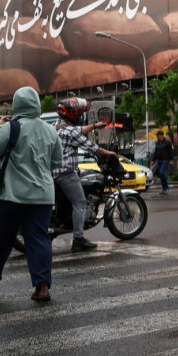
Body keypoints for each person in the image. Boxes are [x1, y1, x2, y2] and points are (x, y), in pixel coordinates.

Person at [0, 86, 64, 302]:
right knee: (39, 239)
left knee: (2, 238)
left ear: (16, 105)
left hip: (11, 195)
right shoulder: (50, 130)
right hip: (42, 196)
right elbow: (57, 162)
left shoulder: (11, 128)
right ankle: (42, 287)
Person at [52, 98, 117, 251]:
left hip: (53, 172)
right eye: (77, 113)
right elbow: (92, 147)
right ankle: (78, 239)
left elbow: (79, 130)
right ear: (71, 114)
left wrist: (94, 126)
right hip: (66, 173)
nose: (79, 116)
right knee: (80, 202)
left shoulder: (56, 125)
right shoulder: (70, 132)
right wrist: (109, 153)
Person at [151, 130, 174, 195]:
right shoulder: (157, 143)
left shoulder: (167, 143)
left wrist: (171, 160)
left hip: (165, 160)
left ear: (162, 136)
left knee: (162, 172)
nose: (158, 138)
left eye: (158, 136)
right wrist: (153, 159)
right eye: (157, 136)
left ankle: (166, 188)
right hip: (159, 160)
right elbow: (156, 152)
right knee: (161, 175)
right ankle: (164, 188)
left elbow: (171, 151)